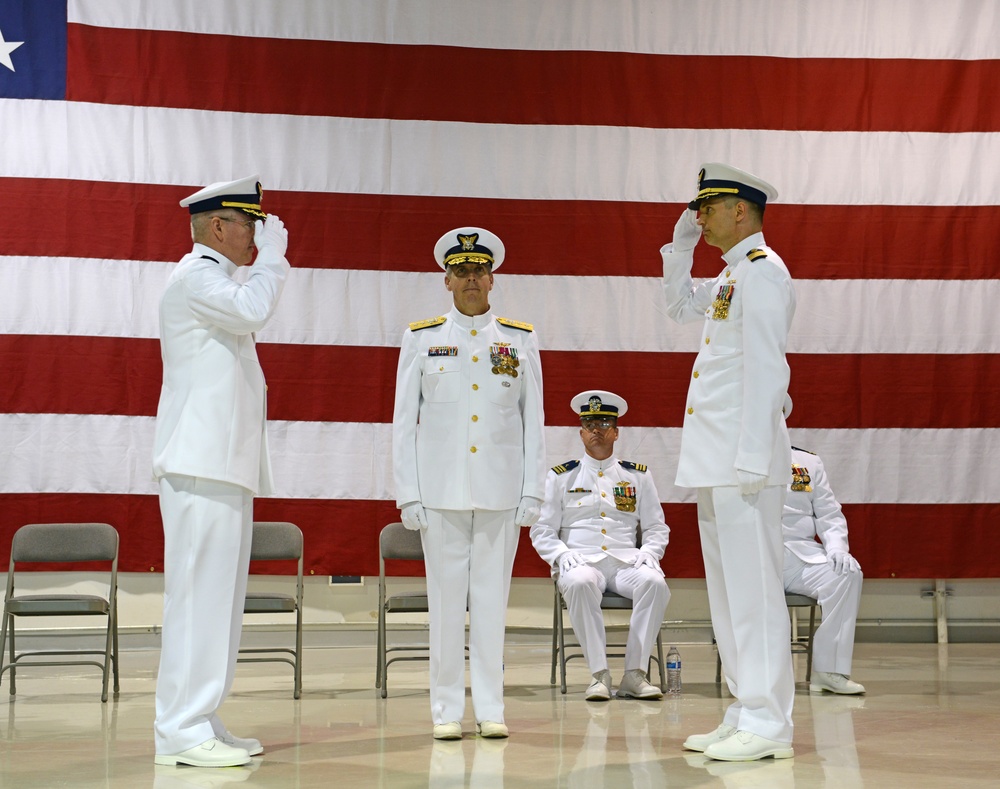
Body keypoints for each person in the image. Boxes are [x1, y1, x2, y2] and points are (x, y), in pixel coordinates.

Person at [152, 176, 290, 768]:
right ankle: (179, 728)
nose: (257, 237)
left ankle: (202, 715)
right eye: (249, 225)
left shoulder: (212, 279)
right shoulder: (196, 276)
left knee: (219, 601)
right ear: (217, 227)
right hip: (199, 462)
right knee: (195, 599)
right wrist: (278, 261)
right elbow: (252, 310)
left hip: (222, 466)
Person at [661, 163, 797, 761]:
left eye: (706, 209)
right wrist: (678, 250)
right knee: (727, 593)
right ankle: (744, 707)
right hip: (718, 462)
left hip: (745, 463)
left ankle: (770, 722)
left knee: (756, 593)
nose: (700, 217)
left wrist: (750, 460)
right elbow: (677, 308)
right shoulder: (732, 277)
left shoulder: (765, 274)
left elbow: (769, 370)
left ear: (739, 209)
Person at [392, 226, 546, 740]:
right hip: (441, 494)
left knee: (490, 604)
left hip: (500, 493)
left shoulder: (519, 339)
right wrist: (408, 493)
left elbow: (533, 420)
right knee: (444, 605)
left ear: (492, 277)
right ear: (447, 280)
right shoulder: (422, 338)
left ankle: (491, 708)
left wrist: (532, 491)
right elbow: (402, 422)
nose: (471, 279)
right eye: (461, 271)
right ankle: (445, 712)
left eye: (479, 270)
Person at [530, 390, 670, 701]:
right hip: (579, 560)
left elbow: (656, 527)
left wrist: (649, 553)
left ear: (616, 432)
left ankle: (635, 674)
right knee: (579, 583)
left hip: (624, 561)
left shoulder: (637, 476)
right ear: (581, 432)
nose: (597, 430)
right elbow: (541, 530)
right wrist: (560, 554)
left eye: (605, 423)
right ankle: (599, 675)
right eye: (590, 424)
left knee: (656, 584)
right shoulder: (560, 477)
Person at [784, 443, 865, 695]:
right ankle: (754, 676)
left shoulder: (805, 462)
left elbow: (829, 514)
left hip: (800, 556)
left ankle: (828, 670)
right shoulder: (736, 457)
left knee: (846, 574)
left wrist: (837, 547)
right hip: (753, 556)